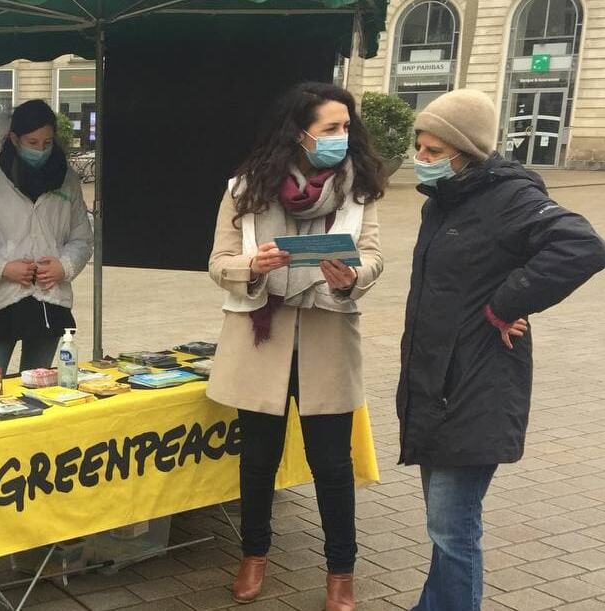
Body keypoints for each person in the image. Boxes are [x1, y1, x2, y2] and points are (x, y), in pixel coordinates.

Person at [398, 90, 605, 611]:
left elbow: (581, 245)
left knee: (453, 529)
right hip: (435, 385)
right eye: (418, 149)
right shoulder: (444, 201)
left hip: (477, 386)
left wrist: (507, 302)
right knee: (444, 525)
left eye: (430, 151)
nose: (419, 161)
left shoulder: (508, 198)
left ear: (463, 149)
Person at [206, 82, 386, 611]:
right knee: (257, 460)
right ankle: (254, 556)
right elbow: (218, 262)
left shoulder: (360, 187)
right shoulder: (245, 189)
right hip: (261, 340)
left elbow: (374, 256)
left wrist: (350, 275)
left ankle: (341, 575)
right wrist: (251, 266)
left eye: (346, 127)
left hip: (327, 335)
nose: (341, 137)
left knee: (332, 463)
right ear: (299, 132)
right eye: (330, 128)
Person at [0, 100, 92, 374]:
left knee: (38, 389)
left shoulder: (67, 180)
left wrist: (63, 266)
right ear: (14, 139)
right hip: (0, 301)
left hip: (49, 300)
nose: (40, 150)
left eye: (47, 143)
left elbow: (82, 237)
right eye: (32, 142)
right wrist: (2, 268)